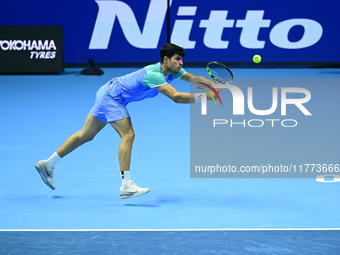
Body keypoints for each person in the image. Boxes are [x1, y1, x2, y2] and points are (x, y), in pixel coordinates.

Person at [35, 43, 220, 199]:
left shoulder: (174, 70)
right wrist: (205, 98)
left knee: (86, 135)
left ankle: (48, 164)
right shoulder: (154, 74)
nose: (181, 63)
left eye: (181, 59)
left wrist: (214, 85)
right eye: (177, 59)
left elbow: (195, 79)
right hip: (112, 97)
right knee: (128, 135)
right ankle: (126, 186)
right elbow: (176, 97)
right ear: (166, 59)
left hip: (107, 92)